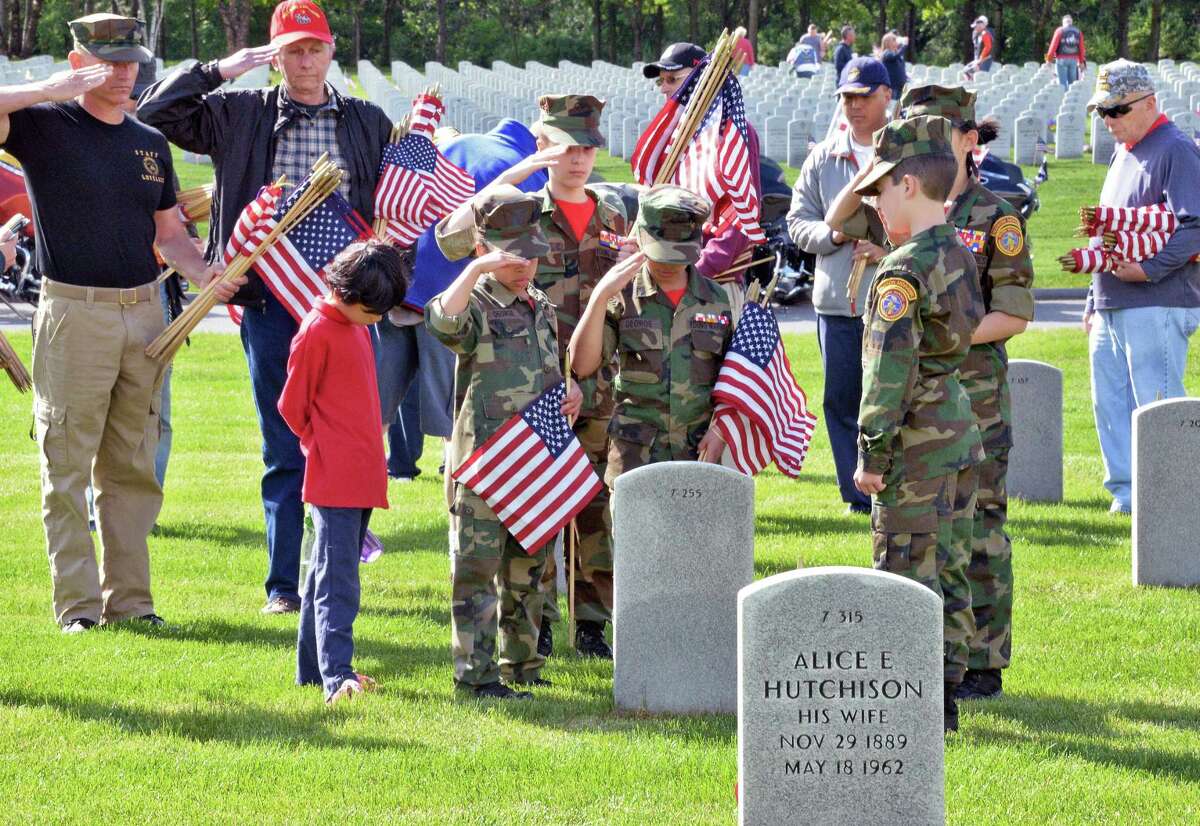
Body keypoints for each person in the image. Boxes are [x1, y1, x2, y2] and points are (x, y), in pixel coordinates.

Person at [138, 0, 393, 615]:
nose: (304, 60)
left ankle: (336, 567)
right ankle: (283, 585)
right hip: (269, 299)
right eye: (291, 51)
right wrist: (220, 70)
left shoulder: (367, 121)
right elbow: (154, 112)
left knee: (352, 438)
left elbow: (394, 203)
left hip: (348, 305)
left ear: (332, 51)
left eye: (314, 48)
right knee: (282, 440)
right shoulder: (237, 113)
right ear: (274, 59)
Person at [0, 14, 235, 632]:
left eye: (133, 61)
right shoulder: (41, 124)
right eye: (113, 61)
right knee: (68, 465)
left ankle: (132, 602)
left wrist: (207, 270)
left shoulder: (148, 142)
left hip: (144, 313)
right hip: (75, 313)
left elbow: (168, 235)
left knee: (131, 465)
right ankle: (77, 608)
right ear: (80, 63)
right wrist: (45, 91)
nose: (127, 73)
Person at [837, 116, 985, 733]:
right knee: (948, 565)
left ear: (906, 186)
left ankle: (911, 705)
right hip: (956, 428)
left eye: (877, 190)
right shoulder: (958, 248)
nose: (871, 202)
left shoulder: (901, 271)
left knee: (903, 572)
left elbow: (886, 373)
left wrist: (871, 452)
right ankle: (945, 696)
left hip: (915, 443)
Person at [900, 85, 1036, 701]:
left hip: (974, 396)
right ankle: (924, 650)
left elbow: (1013, 314)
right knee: (920, 527)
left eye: (936, 129)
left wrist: (935, 340)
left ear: (968, 139)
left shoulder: (995, 217)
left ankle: (982, 659)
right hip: (913, 399)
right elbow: (834, 221)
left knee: (978, 524)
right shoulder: (901, 206)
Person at [426, 186, 582, 700]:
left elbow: (545, 372)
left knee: (529, 572)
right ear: (485, 251)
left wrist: (570, 392)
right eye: (513, 258)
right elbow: (442, 322)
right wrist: (474, 269)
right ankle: (476, 676)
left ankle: (525, 665)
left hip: (533, 460)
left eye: (532, 256)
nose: (525, 267)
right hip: (484, 464)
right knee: (477, 572)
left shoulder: (539, 305)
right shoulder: (475, 303)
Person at [516, 95, 627, 659]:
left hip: (602, 385)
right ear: (543, 148)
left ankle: (590, 622)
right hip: (537, 386)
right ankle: (535, 620)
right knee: (541, 503)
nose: (578, 159)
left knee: (595, 506)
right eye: (566, 147)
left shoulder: (613, 218)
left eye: (586, 147)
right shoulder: (523, 217)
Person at [280, 240, 404, 706]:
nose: (381, 318)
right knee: (339, 582)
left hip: (362, 472)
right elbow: (292, 406)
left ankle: (312, 671)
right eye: (376, 309)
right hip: (335, 476)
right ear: (352, 296)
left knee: (321, 576)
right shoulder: (316, 331)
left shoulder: (357, 327)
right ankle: (338, 676)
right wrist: (323, 444)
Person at [1083, 60, 1200, 515]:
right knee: (1109, 404)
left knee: (1157, 406)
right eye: (1102, 112)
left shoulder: (1176, 149)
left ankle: (1170, 500)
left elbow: (1195, 225)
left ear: (1150, 102)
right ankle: (1129, 496)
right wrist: (1093, 299)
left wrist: (1149, 268)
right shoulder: (1125, 150)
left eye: (1117, 110)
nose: (1108, 121)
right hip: (1113, 300)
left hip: (1159, 299)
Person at [570, 184, 731, 485]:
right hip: (635, 461)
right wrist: (600, 296)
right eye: (661, 254)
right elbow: (583, 364)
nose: (669, 265)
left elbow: (731, 380)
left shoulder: (716, 299)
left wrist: (721, 429)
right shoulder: (622, 295)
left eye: (679, 255)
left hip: (697, 456)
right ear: (641, 236)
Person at [787, 57, 891, 518]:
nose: (854, 106)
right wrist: (834, 237)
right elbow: (796, 222)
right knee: (842, 399)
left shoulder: (907, 153)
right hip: (838, 303)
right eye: (847, 98)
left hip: (894, 299)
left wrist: (883, 248)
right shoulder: (823, 157)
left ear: (886, 95)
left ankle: (896, 486)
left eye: (863, 96)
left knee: (891, 395)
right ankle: (857, 496)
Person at [644, 42, 762, 289]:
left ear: (701, 81)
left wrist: (697, 273)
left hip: (712, 284)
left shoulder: (731, 133)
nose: (664, 88)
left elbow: (738, 219)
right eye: (661, 81)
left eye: (672, 79)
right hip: (668, 277)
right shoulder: (671, 136)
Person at [1045, 15, 1086, 90]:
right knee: (1072, 83)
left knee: (1062, 83)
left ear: (1063, 22)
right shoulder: (1078, 32)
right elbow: (1081, 48)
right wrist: (1081, 62)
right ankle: (1072, 99)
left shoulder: (1060, 30)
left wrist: (1049, 60)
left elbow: (1053, 46)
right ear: (1071, 22)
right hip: (1074, 59)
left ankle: (1064, 98)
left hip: (1061, 59)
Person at [878, 32, 908, 101]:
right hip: (893, 86)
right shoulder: (886, 53)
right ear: (888, 42)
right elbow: (895, 57)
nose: (896, 41)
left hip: (900, 85)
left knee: (898, 106)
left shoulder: (895, 52)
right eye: (894, 40)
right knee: (892, 106)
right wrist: (904, 45)